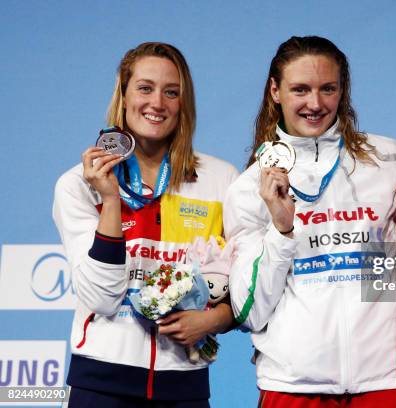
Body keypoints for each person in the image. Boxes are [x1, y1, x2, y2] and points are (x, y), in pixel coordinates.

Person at [53, 42, 238, 407]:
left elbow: (248, 286)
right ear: (123, 94)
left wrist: (213, 321)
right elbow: (102, 298)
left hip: (184, 385)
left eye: (172, 92)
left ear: (184, 104)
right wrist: (110, 200)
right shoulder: (77, 184)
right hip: (100, 384)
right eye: (145, 88)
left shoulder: (221, 179)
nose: (157, 102)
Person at [224, 36, 396, 407]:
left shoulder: (391, 160)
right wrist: (281, 230)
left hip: (384, 380)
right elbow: (249, 311)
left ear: (342, 91)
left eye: (328, 89)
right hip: (293, 386)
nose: (315, 103)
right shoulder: (250, 188)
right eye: (300, 89)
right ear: (275, 91)